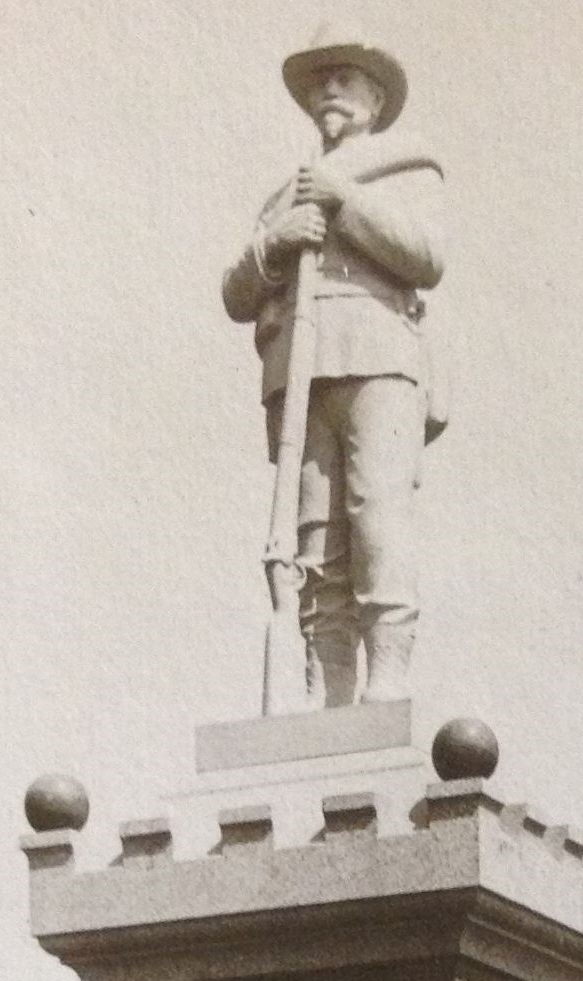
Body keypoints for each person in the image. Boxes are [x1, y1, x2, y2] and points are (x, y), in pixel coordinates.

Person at [223, 25, 444, 707]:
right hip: (301, 371)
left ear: (377, 98)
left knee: (377, 513)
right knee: (315, 541)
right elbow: (235, 294)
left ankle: (388, 684)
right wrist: (273, 247)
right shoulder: (281, 198)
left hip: (379, 356)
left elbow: (426, 256)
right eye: (320, 79)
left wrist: (344, 200)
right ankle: (332, 695)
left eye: (345, 77)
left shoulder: (407, 166)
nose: (330, 88)